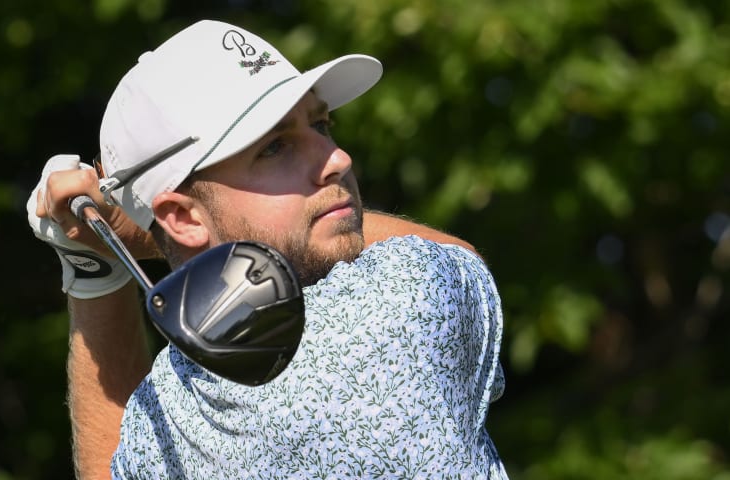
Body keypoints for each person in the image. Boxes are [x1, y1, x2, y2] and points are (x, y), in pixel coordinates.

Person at [28, 19, 508, 479]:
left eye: (320, 125)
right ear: (182, 218)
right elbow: (460, 257)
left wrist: (96, 270)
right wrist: (135, 240)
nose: (338, 159)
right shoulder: (406, 298)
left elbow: (109, 468)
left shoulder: (171, 413)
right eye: (275, 147)